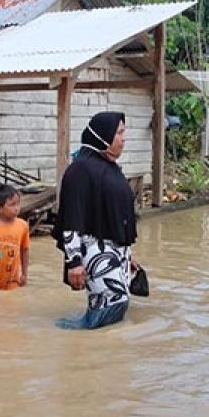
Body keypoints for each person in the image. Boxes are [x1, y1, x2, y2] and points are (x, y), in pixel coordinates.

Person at [52, 111, 141, 330]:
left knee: (117, 307)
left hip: (115, 255)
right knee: (106, 311)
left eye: (123, 132)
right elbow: (72, 218)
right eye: (119, 132)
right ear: (103, 135)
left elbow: (114, 215)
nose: (123, 138)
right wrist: (73, 263)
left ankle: (106, 359)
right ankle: (84, 355)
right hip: (95, 254)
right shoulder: (80, 170)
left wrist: (127, 255)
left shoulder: (110, 168)